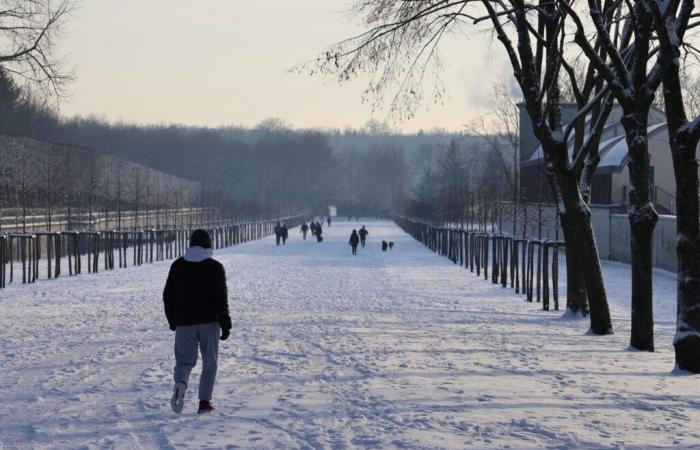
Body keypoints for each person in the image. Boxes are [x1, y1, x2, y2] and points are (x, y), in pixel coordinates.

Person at [163, 229, 232, 415]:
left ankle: (181, 384)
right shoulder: (215, 267)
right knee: (210, 362)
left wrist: (172, 319)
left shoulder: (177, 265)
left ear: (191, 244)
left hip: (184, 323)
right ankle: (204, 402)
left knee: (184, 361)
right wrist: (225, 323)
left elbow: (168, 295)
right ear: (209, 244)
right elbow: (220, 298)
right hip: (209, 322)